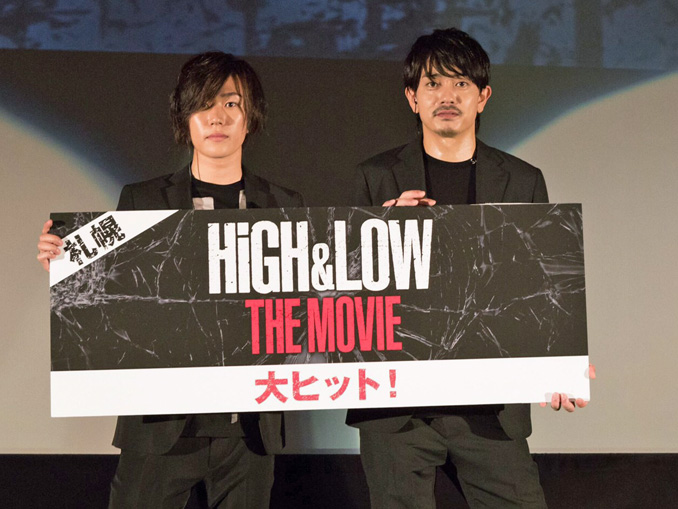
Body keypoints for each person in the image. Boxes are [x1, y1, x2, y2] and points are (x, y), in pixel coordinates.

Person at [37, 51, 303, 508]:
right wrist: (64, 264)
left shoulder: (285, 205)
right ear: (184, 118)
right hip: (161, 426)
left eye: (231, 103)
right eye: (204, 104)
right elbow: (115, 297)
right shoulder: (142, 200)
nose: (217, 117)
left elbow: (311, 299)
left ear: (250, 117)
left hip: (248, 429)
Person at [347, 27, 593, 508]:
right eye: (433, 83)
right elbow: (340, 285)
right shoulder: (376, 178)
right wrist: (381, 233)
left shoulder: (522, 180)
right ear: (412, 98)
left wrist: (562, 361)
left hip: (489, 407)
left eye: (461, 83)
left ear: (483, 97)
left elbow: (541, 284)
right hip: (398, 409)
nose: (447, 96)